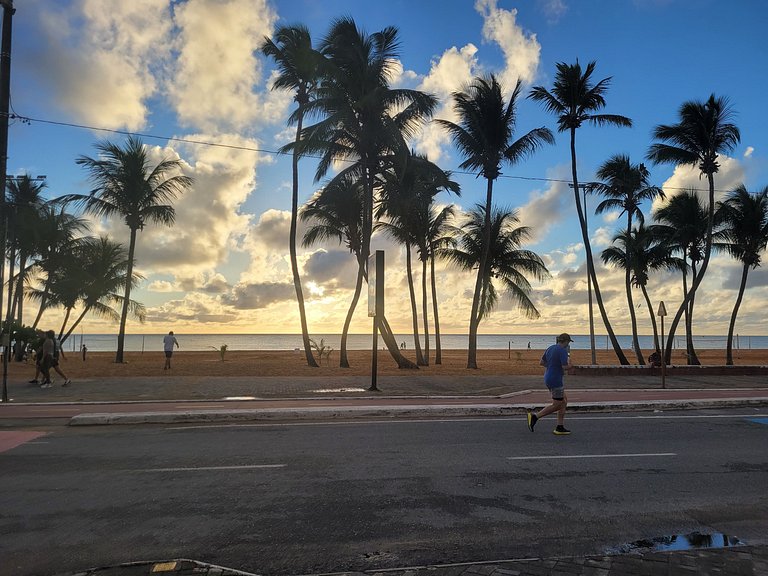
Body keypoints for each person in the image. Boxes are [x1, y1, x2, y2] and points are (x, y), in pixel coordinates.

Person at [527, 332, 573, 435]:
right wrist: (571, 365)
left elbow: (541, 362)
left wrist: (552, 366)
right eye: (568, 342)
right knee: (557, 405)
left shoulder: (550, 348)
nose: (568, 344)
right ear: (565, 341)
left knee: (564, 401)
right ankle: (535, 417)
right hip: (555, 380)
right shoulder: (562, 351)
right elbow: (565, 367)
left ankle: (560, 427)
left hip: (548, 377)